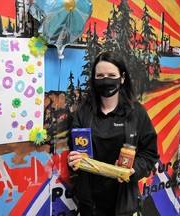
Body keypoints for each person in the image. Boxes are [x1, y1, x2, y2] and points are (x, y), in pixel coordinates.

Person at [67, 51, 160, 216]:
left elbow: (150, 154)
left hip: (124, 202)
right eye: (100, 75)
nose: (106, 80)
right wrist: (72, 160)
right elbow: (75, 154)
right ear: (94, 80)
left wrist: (134, 169)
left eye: (111, 75)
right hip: (90, 204)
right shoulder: (82, 114)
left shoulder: (137, 113)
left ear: (122, 78)